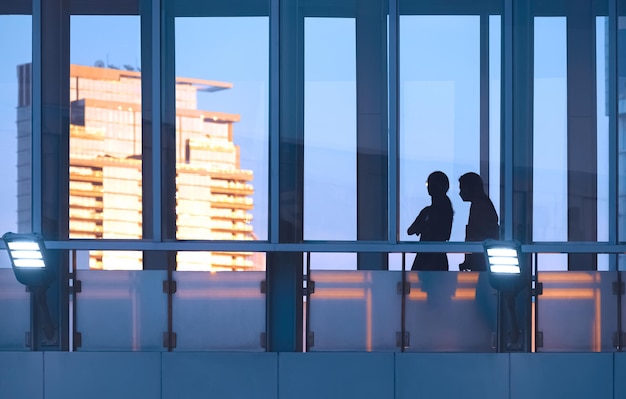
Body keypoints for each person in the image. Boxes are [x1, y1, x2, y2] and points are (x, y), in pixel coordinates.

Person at [407, 171, 454, 271]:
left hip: (432, 257)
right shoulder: (429, 211)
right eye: (428, 183)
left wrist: (424, 227)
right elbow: (410, 230)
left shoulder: (437, 210)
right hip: (430, 255)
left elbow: (440, 233)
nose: (429, 187)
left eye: (432, 183)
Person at [458, 172, 499, 271]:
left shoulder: (480, 206)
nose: (460, 192)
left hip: (481, 260)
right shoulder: (481, 204)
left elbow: (474, 235)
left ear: (469, 187)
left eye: (462, 188)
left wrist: (469, 259)